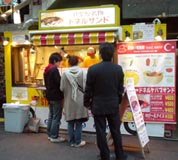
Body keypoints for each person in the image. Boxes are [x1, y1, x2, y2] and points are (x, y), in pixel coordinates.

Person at [84, 42, 127, 160]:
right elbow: (120, 89)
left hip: (98, 105)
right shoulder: (118, 69)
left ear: (100, 54)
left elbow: (88, 89)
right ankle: (120, 155)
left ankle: (105, 155)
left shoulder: (93, 69)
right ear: (112, 54)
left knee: (100, 132)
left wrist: (87, 103)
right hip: (113, 105)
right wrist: (117, 101)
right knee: (116, 131)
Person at [60, 55, 88, 147]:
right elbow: (86, 87)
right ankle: (78, 142)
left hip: (69, 100)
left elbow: (62, 88)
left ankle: (71, 142)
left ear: (69, 63)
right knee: (79, 123)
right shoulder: (83, 72)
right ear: (78, 62)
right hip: (80, 101)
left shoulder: (64, 74)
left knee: (70, 122)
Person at [43, 52, 65, 143]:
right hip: (56, 96)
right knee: (56, 116)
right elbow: (59, 83)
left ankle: (50, 134)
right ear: (55, 61)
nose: (59, 64)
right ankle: (54, 136)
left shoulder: (46, 69)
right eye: (59, 62)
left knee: (51, 115)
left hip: (49, 95)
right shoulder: (54, 70)